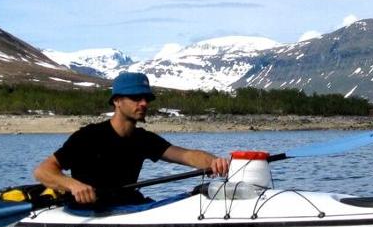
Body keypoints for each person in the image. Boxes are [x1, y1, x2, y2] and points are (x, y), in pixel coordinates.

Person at [33, 72, 229, 210]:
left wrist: (214, 162)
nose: (143, 103)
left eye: (146, 98)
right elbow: (43, 170)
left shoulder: (143, 139)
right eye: (136, 98)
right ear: (117, 101)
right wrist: (73, 185)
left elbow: (185, 155)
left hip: (128, 206)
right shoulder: (88, 136)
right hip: (86, 211)